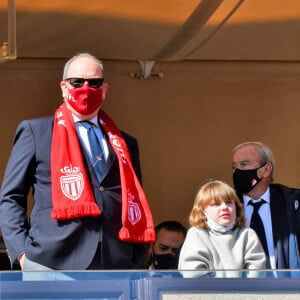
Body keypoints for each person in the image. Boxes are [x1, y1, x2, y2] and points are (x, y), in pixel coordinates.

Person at [0, 53, 155, 271]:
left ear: (104, 90)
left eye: (95, 83)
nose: (86, 88)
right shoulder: (37, 132)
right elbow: (11, 196)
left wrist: (136, 255)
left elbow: (135, 197)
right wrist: (22, 254)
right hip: (52, 261)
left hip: (115, 262)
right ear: (64, 88)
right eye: (77, 82)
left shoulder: (125, 142)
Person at [232, 142, 300, 270]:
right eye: (234, 166)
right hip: (238, 287)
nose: (237, 171)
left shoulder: (293, 203)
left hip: (286, 287)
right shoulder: (226, 205)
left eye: (244, 164)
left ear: (266, 170)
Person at [178, 180, 266, 278]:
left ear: (237, 208)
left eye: (229, 203)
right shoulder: (197, 234)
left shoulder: (247, 235)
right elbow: (194, 275)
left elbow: (256, 277)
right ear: (203, 212)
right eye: (216, 204)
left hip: (242, 293)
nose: (224, 207)